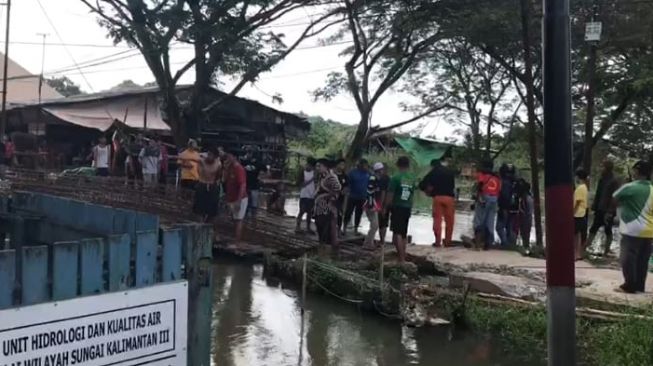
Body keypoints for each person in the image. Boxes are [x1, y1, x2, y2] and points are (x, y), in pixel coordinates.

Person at [613, 160, 653, 294]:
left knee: (628, 258)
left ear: (636, 171)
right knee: (642, 260)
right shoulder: (652, 189)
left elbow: (614, 198)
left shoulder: (630, 187)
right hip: (649, 231)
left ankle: (629, 285)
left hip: (632, 229)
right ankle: (639, 286)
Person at [385, 156, 416, 263]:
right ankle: (403, 255)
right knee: (403, 233)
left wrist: (385, 207)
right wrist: (411, 208)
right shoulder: (412, 178)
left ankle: (401, 258)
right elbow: (412, 195)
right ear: (408, 165)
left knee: (397, 233)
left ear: (398, 165)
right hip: (407, 207)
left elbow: (390, 195)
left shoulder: (395, 178)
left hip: (397, 206)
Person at [420, 158, 456, 247]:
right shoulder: (450, 172)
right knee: (449, 222)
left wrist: (428, 192)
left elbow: (422, 185)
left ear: (432, 165)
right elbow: (453, 186)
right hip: (449, 198)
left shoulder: (433, 172)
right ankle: (448, 242)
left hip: (438, 198)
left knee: (437, 221)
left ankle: (437, 242)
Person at [587, 160, 620, 256]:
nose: (601, 169)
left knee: (608, 229)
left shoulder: (613, 181)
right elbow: (598, 194)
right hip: (599, 209)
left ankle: (606, 251)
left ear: (607, 168)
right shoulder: (602, 179)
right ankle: (585, 247)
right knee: (593, 228)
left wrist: (610, 211)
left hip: (607, 210)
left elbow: (615, 197)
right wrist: (594, 207)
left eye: (602, 167)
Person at [193, 147, 222, 241]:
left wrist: (215, 184)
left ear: (215, 157)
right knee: (199, 210)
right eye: (209, 154)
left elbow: (218, 176)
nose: (209, 157)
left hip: (212, 185)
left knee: (213, 212)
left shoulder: (218, 164)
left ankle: (212, 231)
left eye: (211, 155)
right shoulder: (201, 160)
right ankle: (200, 229)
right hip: (202, 184)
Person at [472, 160, 501, 250]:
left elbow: (479, 186)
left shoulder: (482, 174)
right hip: (494, 199)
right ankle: (487, 245)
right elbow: (499, 190)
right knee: (490, 222)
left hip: (484, 198)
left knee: (479, 221)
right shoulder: (497, 177)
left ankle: (477, 245)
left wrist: (477, 198)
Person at [313, 158, 342, 248]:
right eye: (317, 166)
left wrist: (326, 196)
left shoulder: (331, 177)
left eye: (319, 166)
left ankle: (326, 253)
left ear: (325, 167)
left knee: (327, 232)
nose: (317, 168)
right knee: (320, 230)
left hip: (327, 209)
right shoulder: (322, 176)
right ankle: (323, 249)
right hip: (319, 208)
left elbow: (337, 190)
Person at [224, 151, 248, 243]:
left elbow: (242, 185)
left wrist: (238, 201)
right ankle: (234, 239)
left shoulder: (239, 169)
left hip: (239, 198)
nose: (228, 158)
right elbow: (224, 180)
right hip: (231, 197)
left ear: (234, 157)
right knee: (234, 219)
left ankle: (237, 242)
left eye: (229, 156)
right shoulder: (229, 168)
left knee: (238, 220)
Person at [344, 159, 370, 235]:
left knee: (359, 213)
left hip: (362, 197)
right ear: (360, 165)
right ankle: (344, 228)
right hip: (352, 196)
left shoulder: (368, 173)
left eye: (366, 165)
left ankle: (356, 229)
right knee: (348, 212)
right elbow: (347, 183)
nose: (366, 167)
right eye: (365, 165)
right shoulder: (352, 173)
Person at [363, 162, 386, 249]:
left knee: (374, 225)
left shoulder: (377, 178)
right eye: (382, 169)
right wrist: (371, 205)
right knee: (375, 225)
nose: (383, 171)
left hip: (374, 203)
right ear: (379, 170)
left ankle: (369, 242)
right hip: (371, 204)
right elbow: (370, 192)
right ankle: (368, 243)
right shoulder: (373, 178)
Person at [496, 164, 518, 247]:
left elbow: (504, 196)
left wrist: (501, 207)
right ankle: (511, 244)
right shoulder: (514, 182)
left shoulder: (505, 182)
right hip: (513, 209)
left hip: (505, 207)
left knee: (499, 227)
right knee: (509, 227)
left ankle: (505, 243)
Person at [242, 151, 267, 218]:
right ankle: (246, 217)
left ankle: (253, 218)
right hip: (246, 185)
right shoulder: (244, 162)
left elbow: (266, 171)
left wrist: (261, 177)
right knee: (245, 202)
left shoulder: (259, 163)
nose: (247, 154)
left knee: (254, 204)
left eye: (249, 153)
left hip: (255, 185)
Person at [296, 157, 317, 234]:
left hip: (312, 195)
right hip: (304, 195)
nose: (310, 167)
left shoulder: (315, 172)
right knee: (302, 211)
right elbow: (300, 184)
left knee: (310, 212)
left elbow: (317, 183)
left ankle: (308, 227)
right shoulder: (302, 172)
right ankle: (298, 227)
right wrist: (311, 180)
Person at [574, 169, 589, 260]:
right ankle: (578, 253)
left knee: (574, 235)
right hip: (581, 213)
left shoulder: (580, 188)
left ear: (578, 177)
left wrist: (572, 212)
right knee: (577, 234)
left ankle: (575, 254)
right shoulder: (584, 187)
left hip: (577, 214)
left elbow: (578, 202)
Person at [515, 178, 534, 250]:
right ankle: (525, 246)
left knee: (526, 232)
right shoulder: (526, 197)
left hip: (526, 218)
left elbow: (529, 210)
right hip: (525, 217)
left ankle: (526, 246)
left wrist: (523, 213)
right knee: (524, 233)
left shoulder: (527, 197)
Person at [334, 159, 349, 233]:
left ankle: (339, 230)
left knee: (340, 215)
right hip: (331, 198)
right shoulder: (332, 175)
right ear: (337, 165)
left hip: (341, 199)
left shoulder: (345, 176)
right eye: (341, 164)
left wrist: (344, 191)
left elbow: (346, 187)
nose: (342, 166)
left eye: (343, 165)